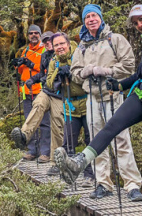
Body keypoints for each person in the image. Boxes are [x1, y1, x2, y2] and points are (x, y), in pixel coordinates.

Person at [55, 4, 142, 214]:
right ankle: (86, 169)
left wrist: (106, 73)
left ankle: (138, 189)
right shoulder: (82, 46)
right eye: (86, 16)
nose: (139, 25)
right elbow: (140, 73)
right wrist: (97, 76)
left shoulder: (118, 39)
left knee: (133, 145)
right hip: (110, 95)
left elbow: (129, 66)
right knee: (105, 133)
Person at [45, 32, 95, 187]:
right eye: (56, 45)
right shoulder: (54, 61)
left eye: (62, 44)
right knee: (68, 142)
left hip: (86, 103)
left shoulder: (80, 54)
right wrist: (58, 74)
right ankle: (67, 174)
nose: (59, 47)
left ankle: (90, 176)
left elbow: (87, 76)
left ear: (68, 43)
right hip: (70, 106)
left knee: (90, 140)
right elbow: (48, 84)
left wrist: (71, 74)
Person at [12, 24, 50, 162]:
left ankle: (45, 152)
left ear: (40, 35)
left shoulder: (45, 50)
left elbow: (45, 70)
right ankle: (32, 150)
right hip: (26, 92)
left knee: (44, 123)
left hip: (40, 91)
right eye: (31, 33)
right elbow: (22, 71)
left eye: (36, 33)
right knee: (29, 122)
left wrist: (30, 64)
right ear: (28, 36)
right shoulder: (26, 50)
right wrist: (19, 63)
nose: (33, 35)